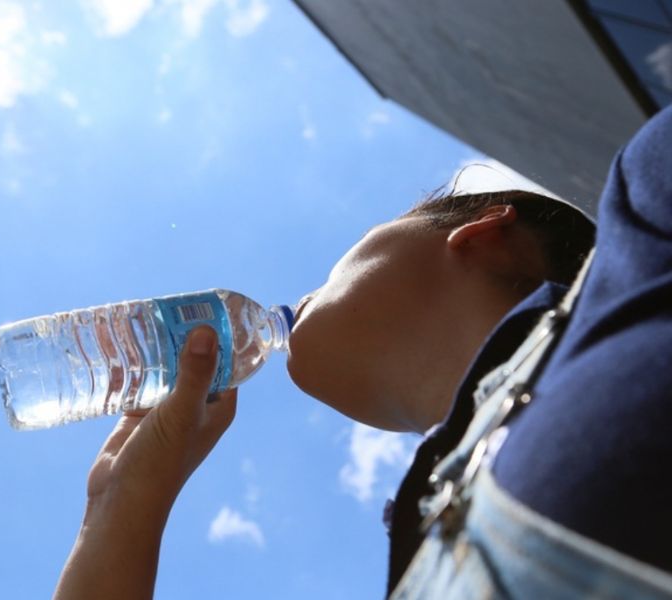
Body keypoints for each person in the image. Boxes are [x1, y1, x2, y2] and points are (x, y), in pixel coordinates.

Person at [53, 105, 672, 599]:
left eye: (327, 273)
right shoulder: (420, 559)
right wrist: (120, 506)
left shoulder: (640, 267)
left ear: (480, 233)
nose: (305, 291)